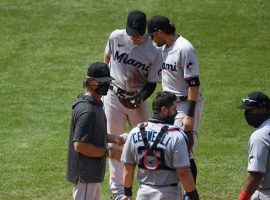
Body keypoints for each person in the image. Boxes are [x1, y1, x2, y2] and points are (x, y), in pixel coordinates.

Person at [103, 10, 162, 199]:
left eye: (138, 34)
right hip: (113, 96)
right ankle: (119, 193)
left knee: (147, 142)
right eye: (132, 34)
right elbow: (107, 60)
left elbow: (152, 82)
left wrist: (141, 97)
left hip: (137, 101)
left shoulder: (154, 51)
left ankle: (148, 187)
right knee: (114, 140)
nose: (135, 37)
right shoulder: (116, 37)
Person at [147, 16, 204, 182]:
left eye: (152, 35)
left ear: (159, 32)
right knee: (170, 146)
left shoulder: (184, 49)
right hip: (171, 106)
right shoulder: (165, 47)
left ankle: (190, 194)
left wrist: (190, 115)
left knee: (184, 149)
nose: (151, 39)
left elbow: (194, 85)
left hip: (186, 105)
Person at [121, 91, 200, 200]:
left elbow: (128, 168)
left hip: (143, 193)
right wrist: (194, 196)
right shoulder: (176, 136)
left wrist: (127, 194)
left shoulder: (135, 132)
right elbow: (183, 173)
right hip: (169, 194)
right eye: (174, 108)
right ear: (164, 110)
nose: (176, 112)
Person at [66, 62, 127, 200]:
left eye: (107, 82)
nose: (105, 86)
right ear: (90, 81)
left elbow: (93, 134)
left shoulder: (96, 104)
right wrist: (109, 153)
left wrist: (115, 138)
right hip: (86, 176)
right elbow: (80, 145)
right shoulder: (87, 111)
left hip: (92, 174)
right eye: (101, 82)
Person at [237, 91, 270, 200]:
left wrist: (243, 198)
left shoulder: (260, 136)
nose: (247, 113)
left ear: (264, 109)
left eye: (251, 110)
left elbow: (255, 175)